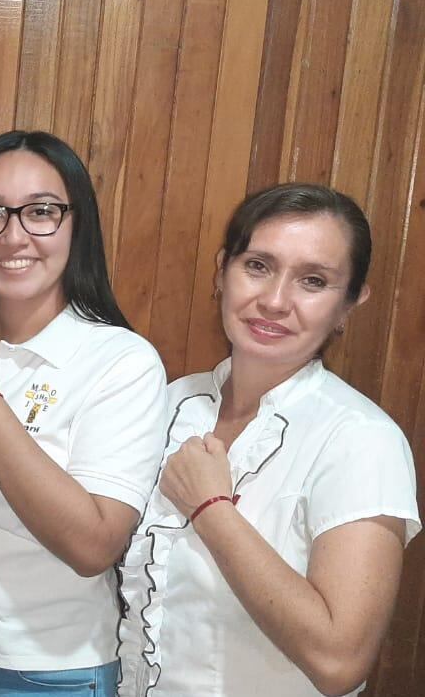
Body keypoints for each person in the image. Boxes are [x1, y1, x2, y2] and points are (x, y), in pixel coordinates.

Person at [0, 131, 170, 696]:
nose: (13, 235)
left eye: (41, 212)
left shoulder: (122, 362)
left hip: (45, 668)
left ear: (76, 225)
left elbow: (94, 546)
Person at [116, 184, 420, 697]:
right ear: (222, 271)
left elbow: (339, 662)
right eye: (258, 266)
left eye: (313, 281)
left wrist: (212, 509)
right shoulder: (171, 403)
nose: (275, 301)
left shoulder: (362, 440)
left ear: (350, 304)